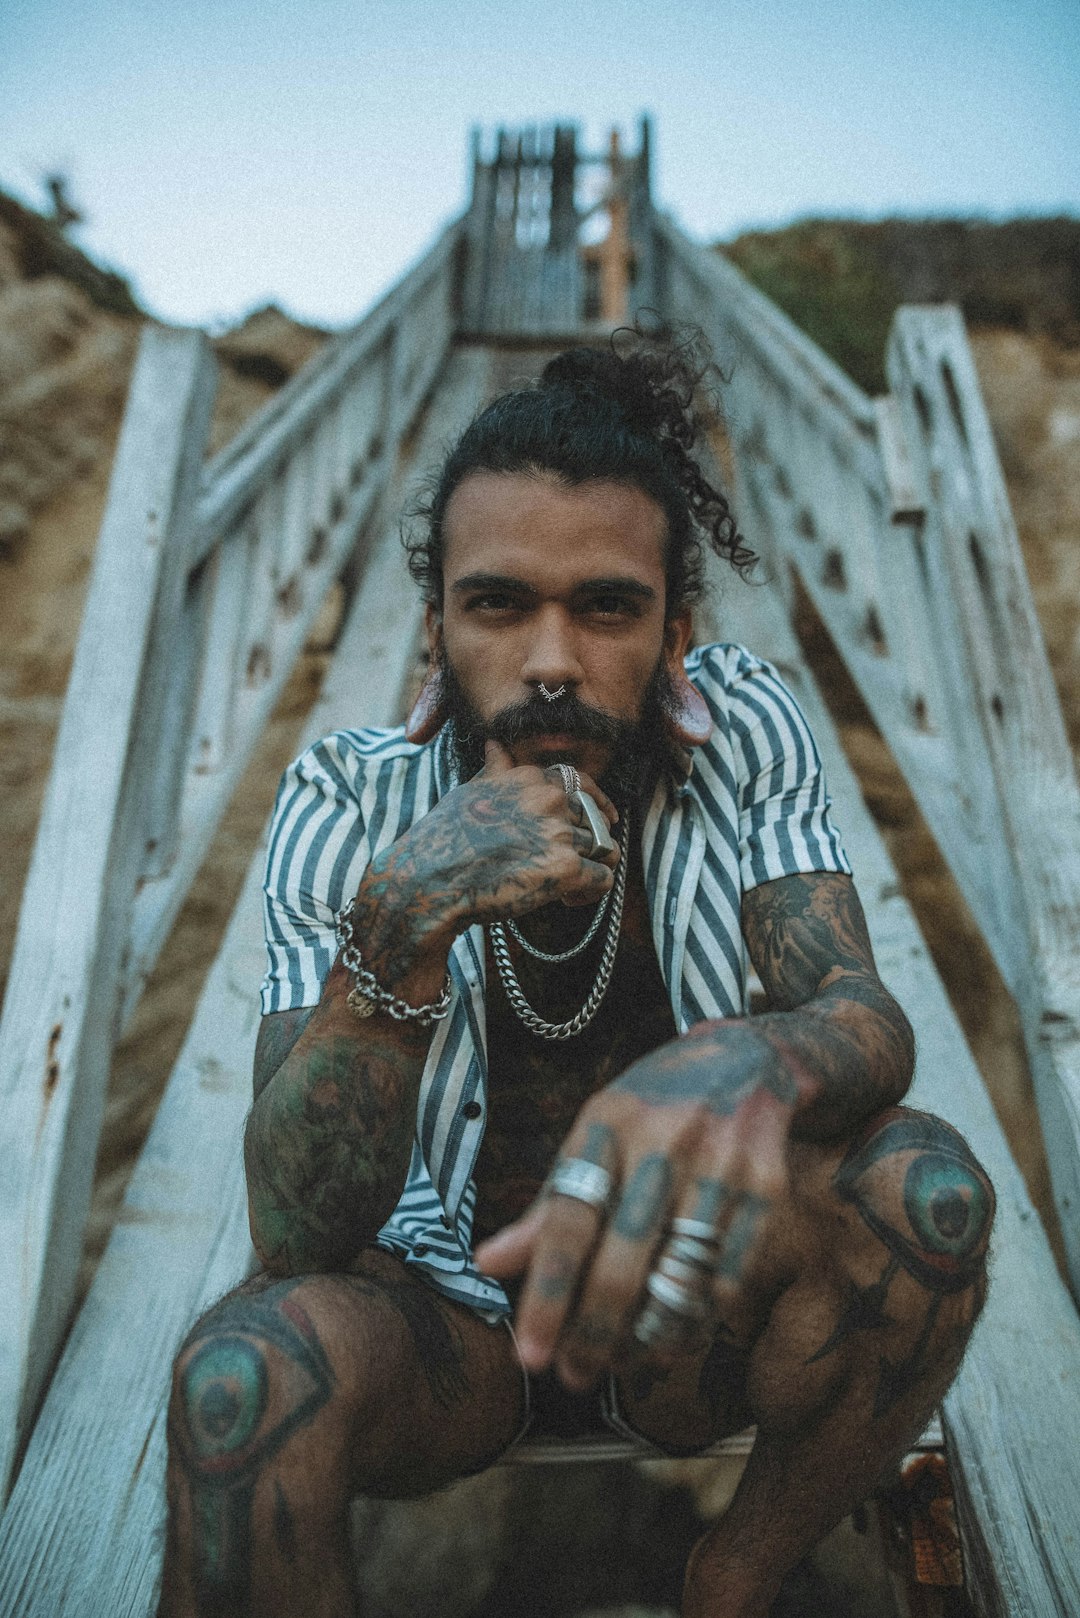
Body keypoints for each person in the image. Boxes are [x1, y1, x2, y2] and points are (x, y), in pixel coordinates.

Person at [158, 334, 994, 1618]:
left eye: (606, 606)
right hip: (444, 1329)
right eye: (498, 604)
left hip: (686, 1311)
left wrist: (751, 1053)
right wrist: (406, 915)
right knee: (240, 1379)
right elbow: (297, 1230)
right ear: (435, 625)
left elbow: (862, 1023)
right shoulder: (349, 795)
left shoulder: (742, 733)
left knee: (927, 1193)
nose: (553, 659)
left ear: (676, 634)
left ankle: (737, 1572)